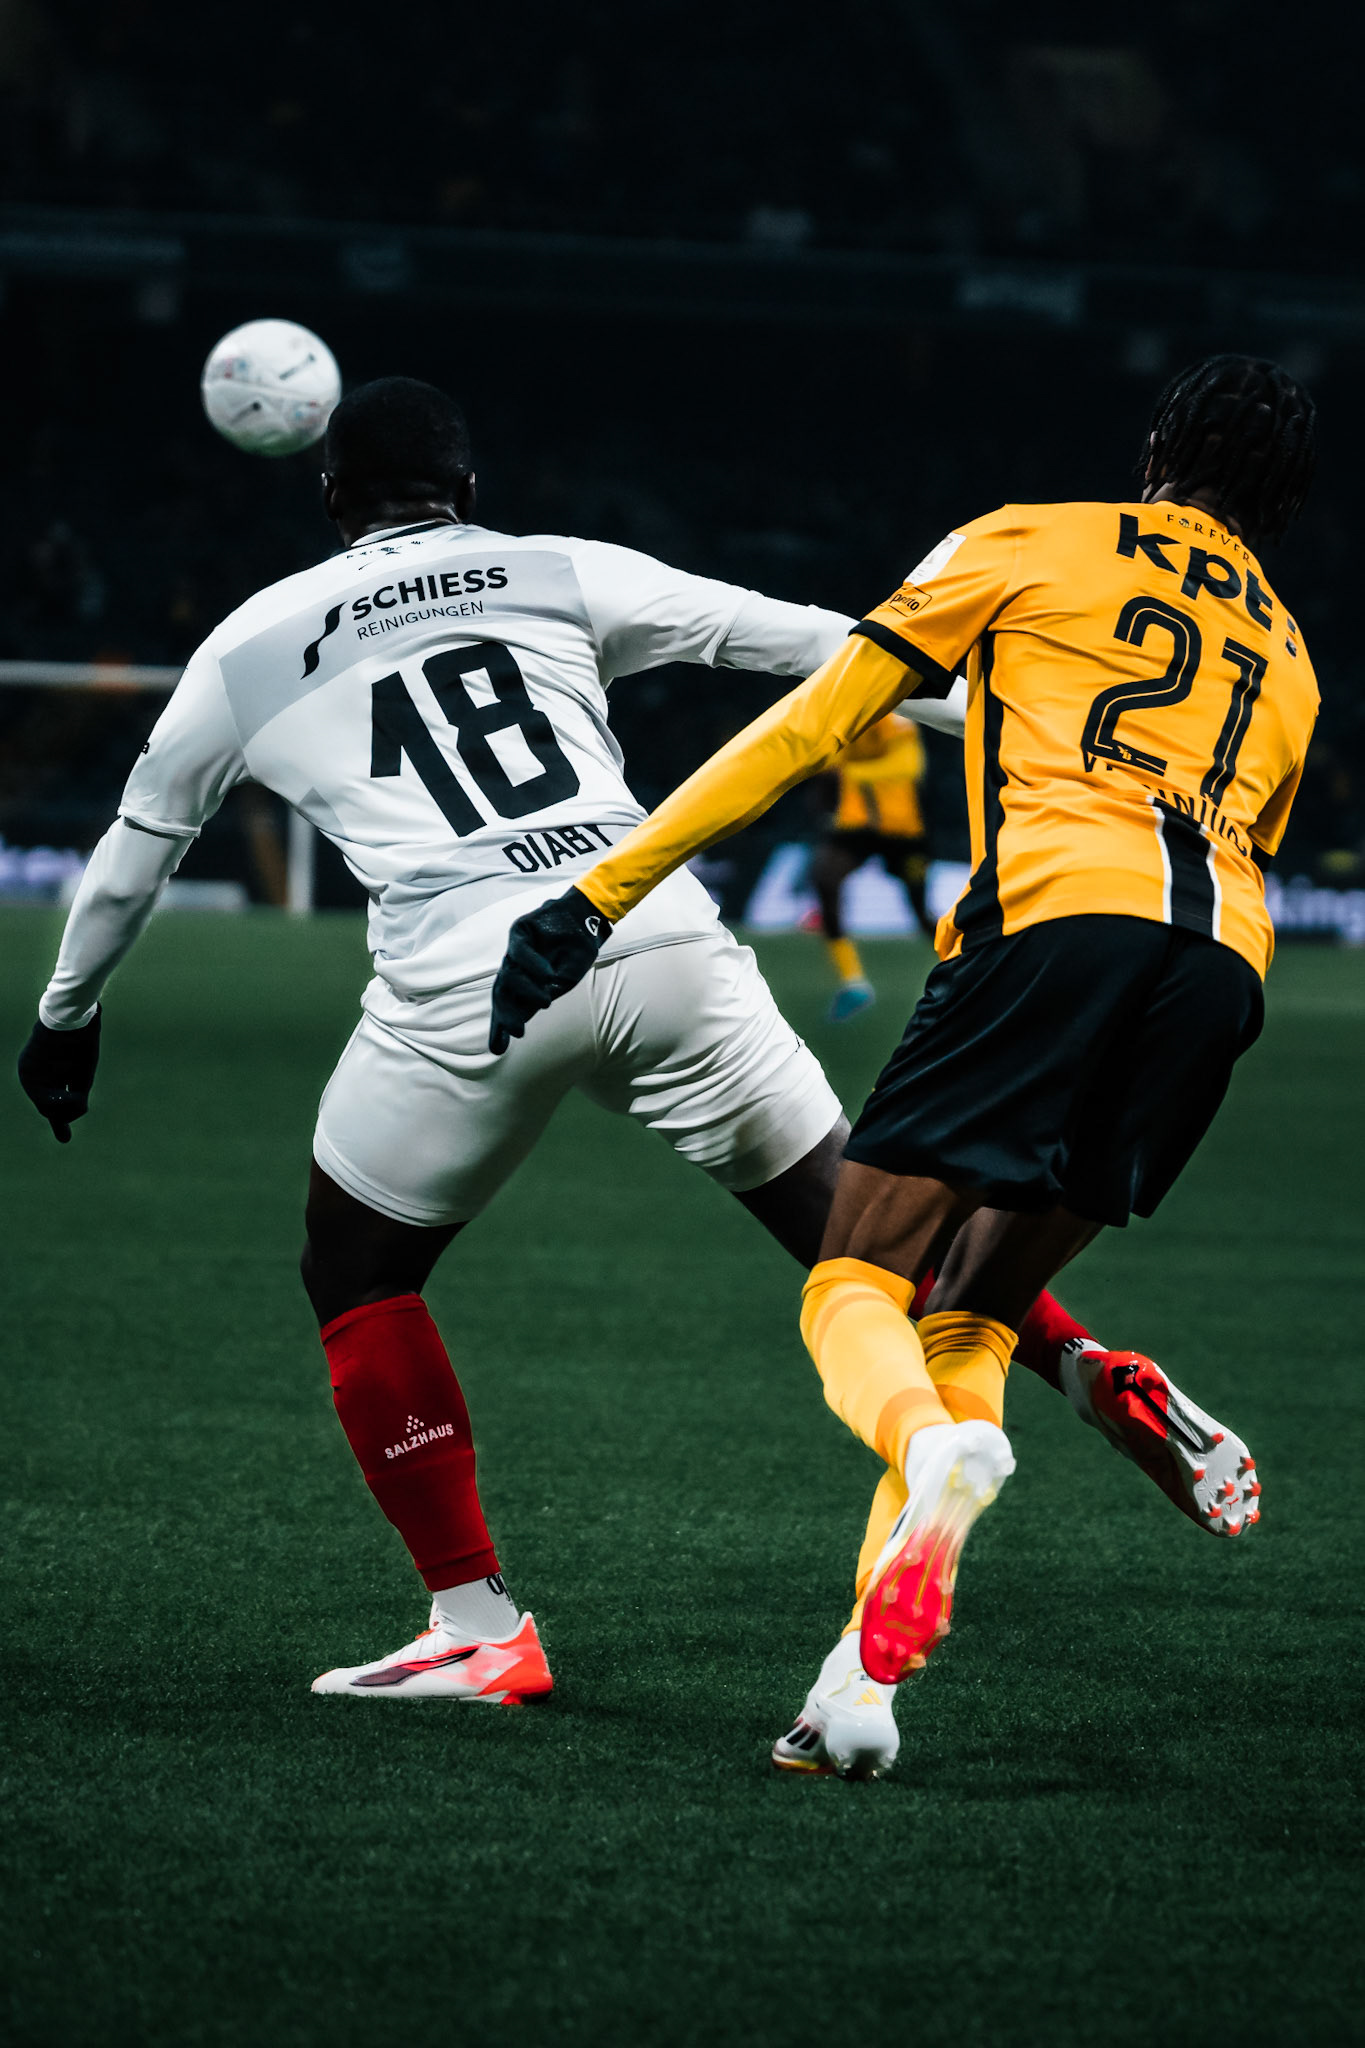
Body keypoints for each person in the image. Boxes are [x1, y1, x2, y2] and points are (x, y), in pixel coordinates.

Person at [19, 376, 1250, 1775]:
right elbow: (813, 647)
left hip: (468, 981)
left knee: (357, 1269)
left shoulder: (245, 645)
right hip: (649, 926)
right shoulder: (557, 567)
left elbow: (135, 846)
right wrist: (1035, 734)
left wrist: (67, 1015)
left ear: (326, 501)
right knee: (864, 1232)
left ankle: (476, 1622)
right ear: (464, 484)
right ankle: (1078, 1357)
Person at [487, 354, 1311, 1765]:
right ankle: (854, 1696)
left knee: (853, 1279)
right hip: (1221, 970)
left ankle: (934, 1453)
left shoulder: (1027, 534)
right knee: (974, 1317)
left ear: (1159, 442)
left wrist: (598, 894)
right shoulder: (1290, 659)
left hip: (1054, 916)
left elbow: (814, 723)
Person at [811, 709, 932, 1020]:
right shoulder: (840, 713)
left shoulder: (895, 714)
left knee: (921, 914)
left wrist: (850, 772)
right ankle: (853, 983)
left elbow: (910, 765)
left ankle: (970, 965)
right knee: (825, 879)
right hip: (856, 824)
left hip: (902, 830)